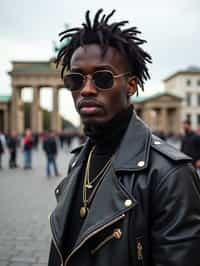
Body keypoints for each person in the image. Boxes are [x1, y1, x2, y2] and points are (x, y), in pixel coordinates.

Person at [48, 9, 200, 266]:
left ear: (131, 85)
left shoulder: (171, 175)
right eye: (76, 79)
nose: (86, 89)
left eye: (103, 78)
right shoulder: (78, 162)